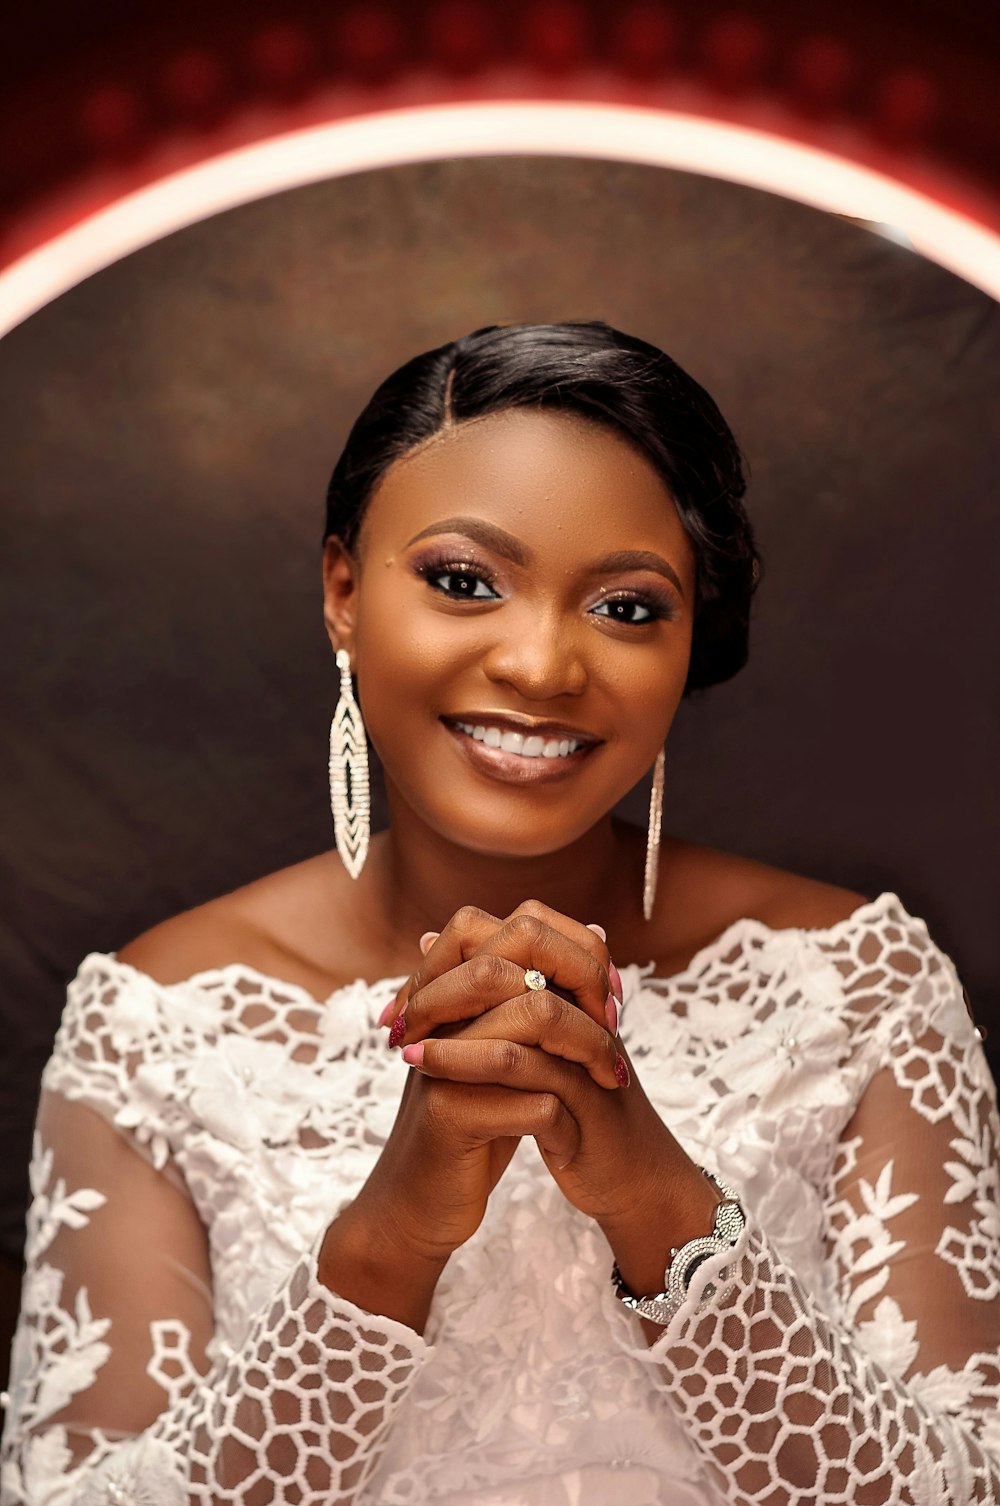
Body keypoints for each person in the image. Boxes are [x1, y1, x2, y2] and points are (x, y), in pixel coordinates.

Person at [1, 320, 997, 1506]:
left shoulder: (861, 984)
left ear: (686, 647)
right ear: (340, 592)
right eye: (463, 580)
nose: (540, 666)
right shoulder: (155, 1018)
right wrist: (383, 1250)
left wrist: (655, 1199)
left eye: (627, 607)